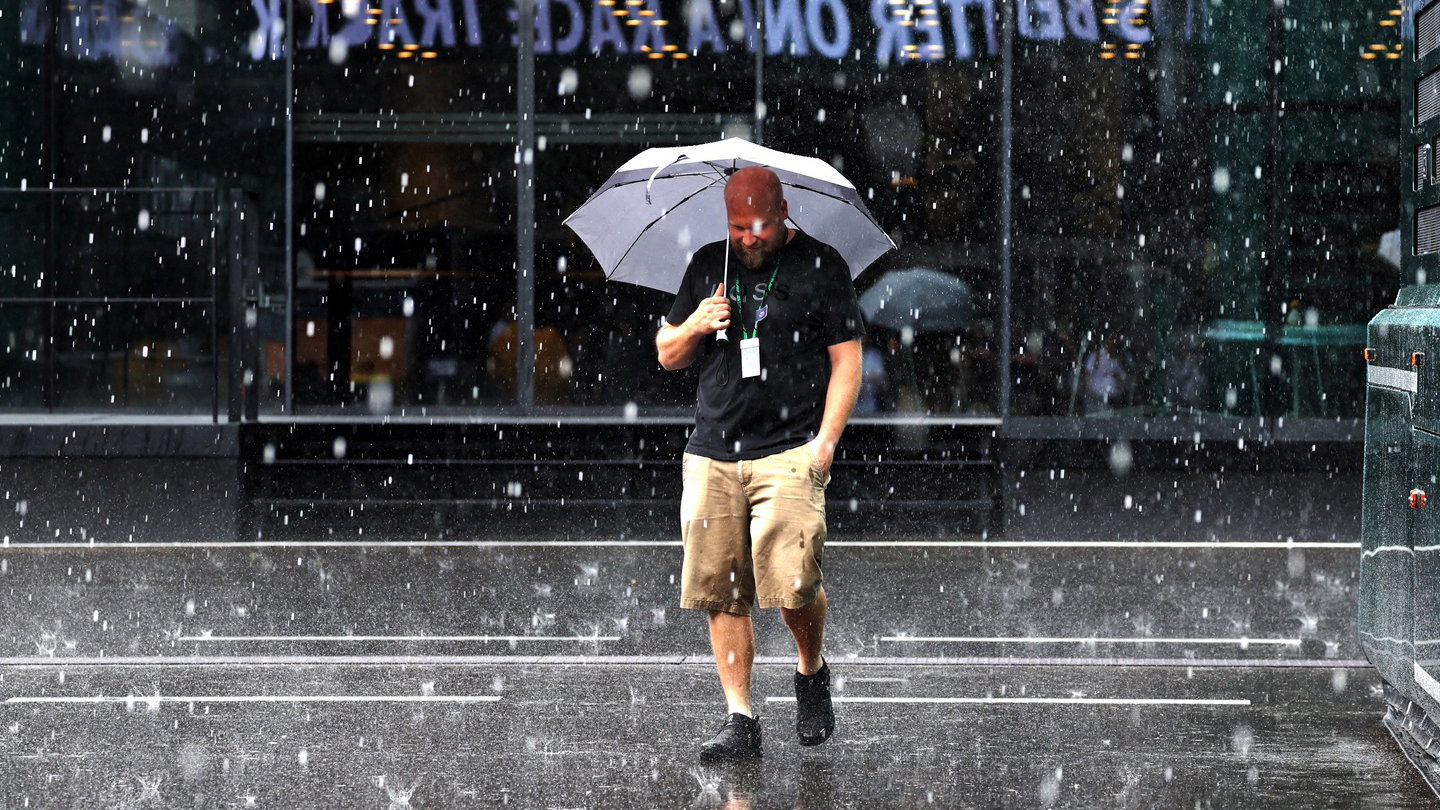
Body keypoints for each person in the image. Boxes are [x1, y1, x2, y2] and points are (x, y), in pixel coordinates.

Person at [656, 166, 865, 762]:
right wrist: (696, 323)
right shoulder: (708, 265)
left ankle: (810, 669)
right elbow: (667, 353)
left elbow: (848, 361)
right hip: (713, 452)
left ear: (783, 211)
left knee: (794, 585)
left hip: (791, 450)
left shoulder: (821, 266)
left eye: (760, 226)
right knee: (721, 593)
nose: (748, 238)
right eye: (737, 227)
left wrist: (825, 443)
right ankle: (740, 718)